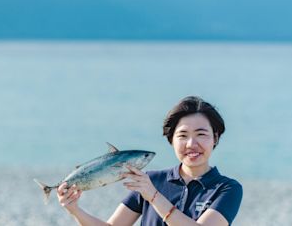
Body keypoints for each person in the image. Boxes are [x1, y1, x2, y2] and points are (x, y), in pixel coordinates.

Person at [56, 96, 243, 226]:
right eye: (183, 135)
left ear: (215, 138)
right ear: (171, 140)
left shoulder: (226, 188)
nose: (191, 144)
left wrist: (153, 196)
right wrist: (75, 210)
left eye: (201, 134)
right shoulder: (151, 181)